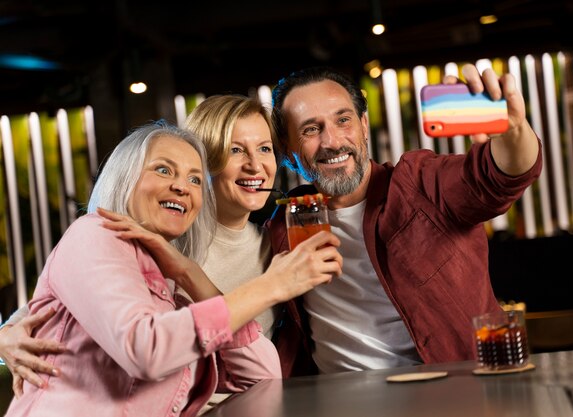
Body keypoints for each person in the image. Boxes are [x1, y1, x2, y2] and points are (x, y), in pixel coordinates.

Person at [3, 121, 342, 416]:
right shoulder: (93, 233)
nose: (182, 186)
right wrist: (271, 286)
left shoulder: (171, 274)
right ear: (125, 177)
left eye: (194, 179)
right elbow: (145, 349)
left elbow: (264, 378)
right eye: (163, 170)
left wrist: (190, 275)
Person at [267, 63, 542, 376]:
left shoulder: (420, 182)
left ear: (364, 125)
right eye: (311, 130)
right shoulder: (282, 226)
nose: (332, 141)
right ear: (288, 151)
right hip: (339, 401)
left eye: (343, 120)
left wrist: (513, 131)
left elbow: (497, 178)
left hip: (453, 391)